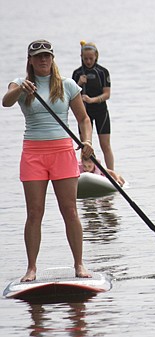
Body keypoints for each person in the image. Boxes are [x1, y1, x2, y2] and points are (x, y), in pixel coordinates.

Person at [2, 39, 95, 281]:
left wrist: (87, 142)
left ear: (52, 59)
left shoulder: (67, 85)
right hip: (33, 154)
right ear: (30, 61)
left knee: (70, 211)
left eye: (47, 56)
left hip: (62, 152)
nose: (43, 60)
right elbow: (6, 101)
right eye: (38, 56)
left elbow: (84, 119)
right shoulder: (21, 84)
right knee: (34, 212)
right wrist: (21, 89)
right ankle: (31, 268)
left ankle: (79, 265)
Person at [72, 41, 115, 170]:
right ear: (81, 57)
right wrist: (78, 84)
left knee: (105, 145)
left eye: (91, 58)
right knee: (85, 146)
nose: (88, 61)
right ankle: (84, 170)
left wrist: (92, 100)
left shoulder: (102, 72)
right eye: (85, 59)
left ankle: (111, 173)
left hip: (101, 111)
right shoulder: (77, 73)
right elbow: (70, 95)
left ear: (96, 56)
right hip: (84, 113)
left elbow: (107, 94)